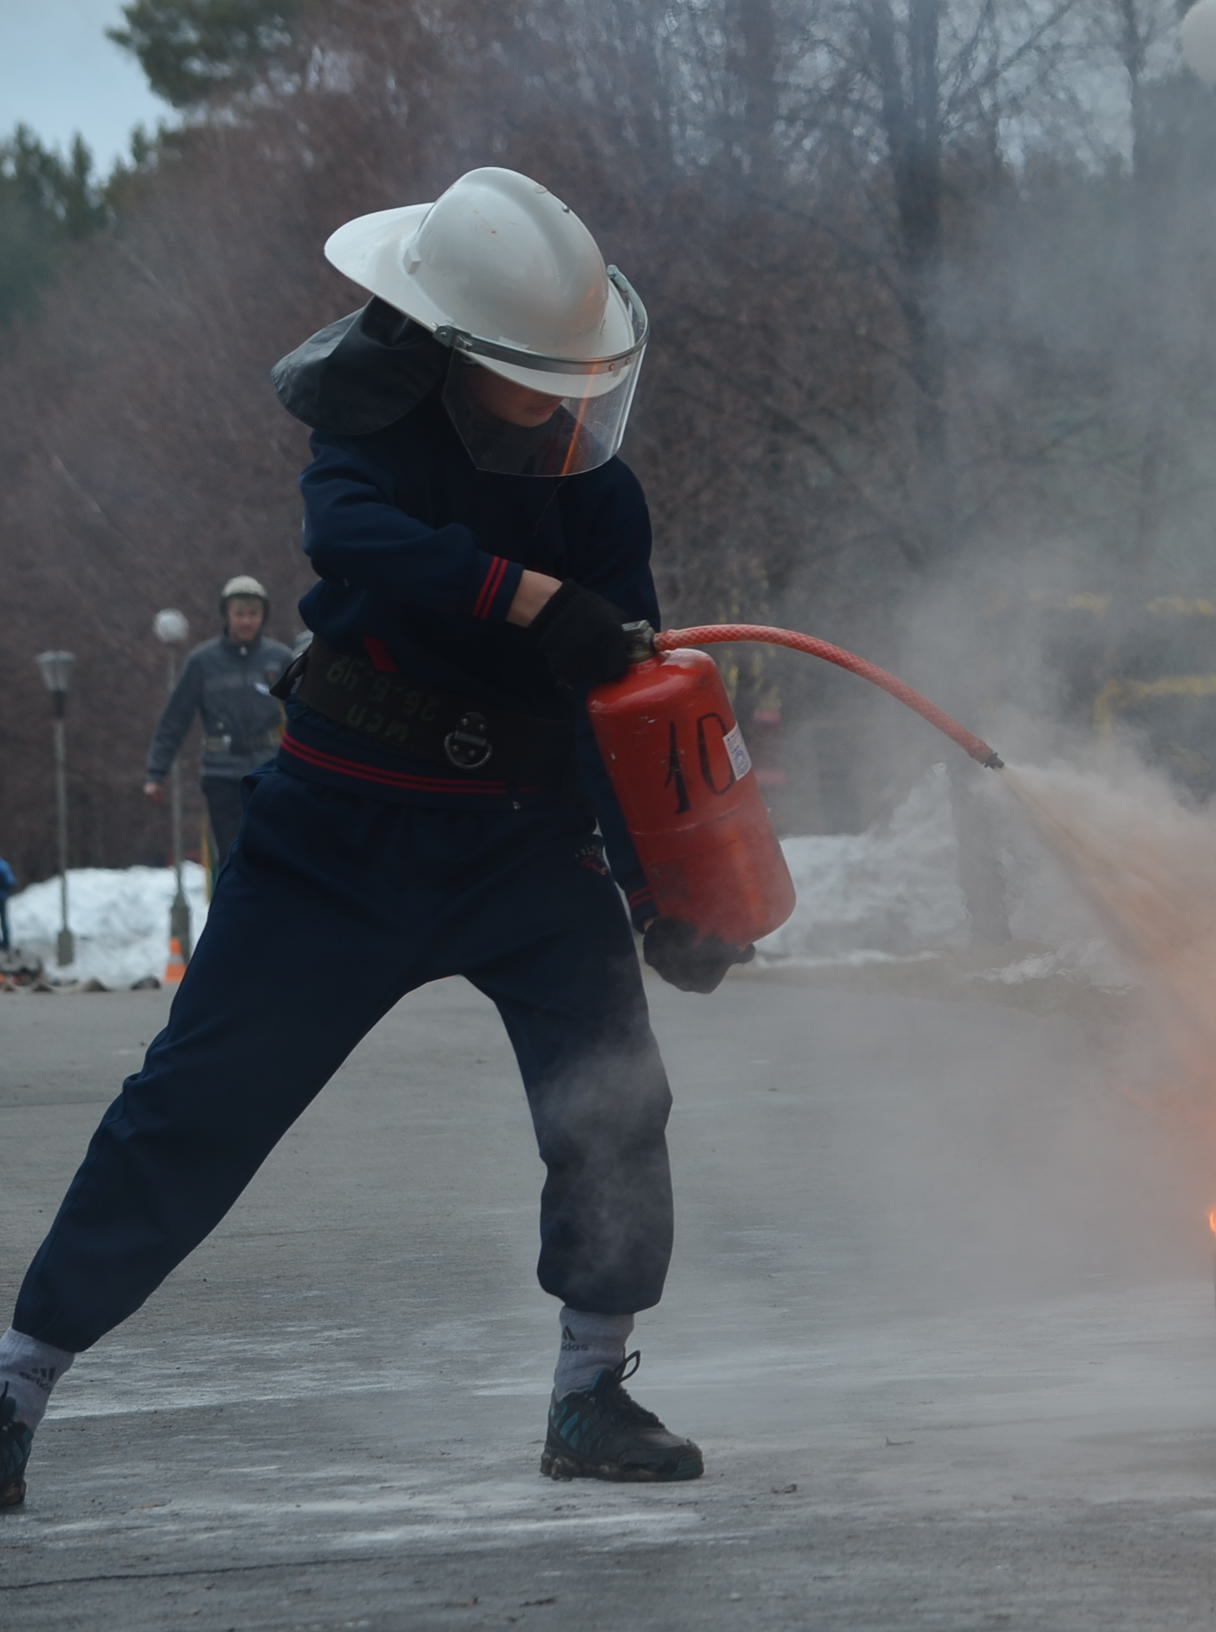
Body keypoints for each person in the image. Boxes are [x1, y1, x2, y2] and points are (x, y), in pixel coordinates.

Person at [0, 167, 754, 1515]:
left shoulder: (601, 495)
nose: (568, 396)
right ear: (454, 354)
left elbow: (624, 708)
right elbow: (355, 539)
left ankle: (590, 1393)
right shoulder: (368, 439)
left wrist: (664, 891)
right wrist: (531, 601)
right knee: (196, 1107)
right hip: (337, 836)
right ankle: (15, 1384)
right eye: (535, 371)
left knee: (616, 1107)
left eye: (580, 368)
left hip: (529, 845)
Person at [145, 576, 295, 868]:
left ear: (263, 616)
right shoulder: (202, 662)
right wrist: (156, 772)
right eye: (240, 613)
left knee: (274, 847)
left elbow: (305, 713)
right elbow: (175, 719)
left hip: (269, 767)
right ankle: (238, 911)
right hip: (222, 772)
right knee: (233, 852)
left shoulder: (279, 659)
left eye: (253, 614)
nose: (246, 621)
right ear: (227, 615)